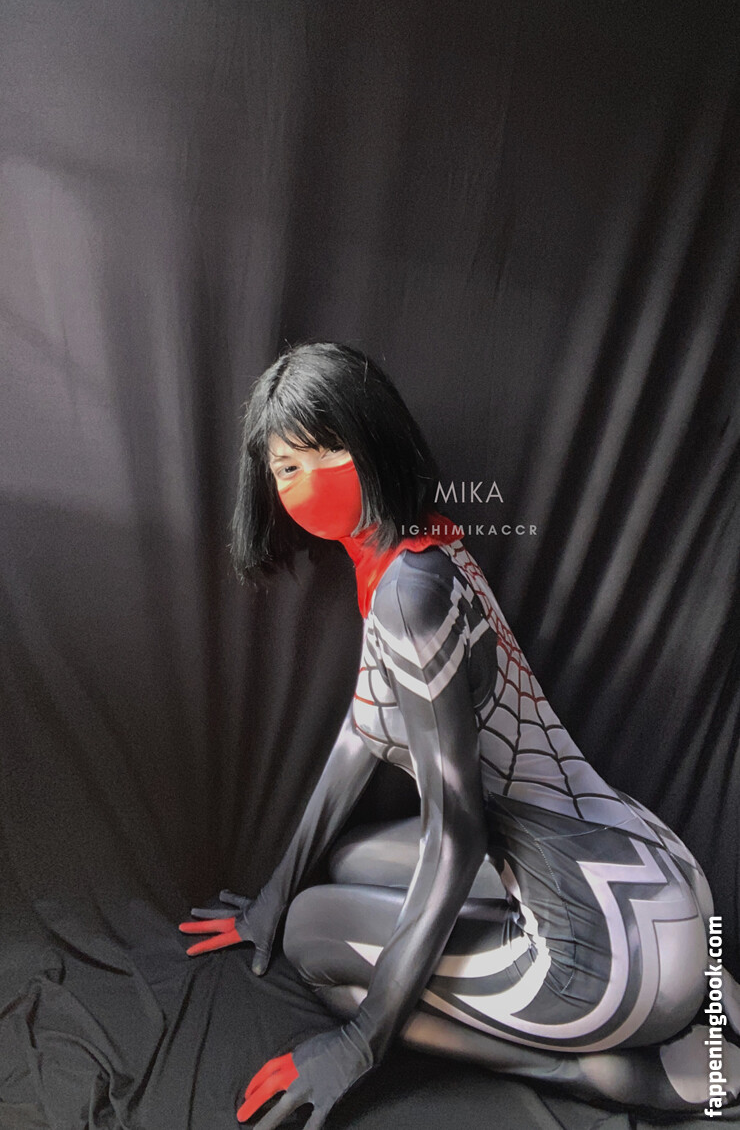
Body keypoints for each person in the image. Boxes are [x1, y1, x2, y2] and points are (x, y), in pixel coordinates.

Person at [180, 341, 740, 1129]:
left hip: (615, 958)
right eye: (286, 466)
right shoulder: (423, 549)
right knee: (347, 865)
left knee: (314, 937)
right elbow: (362, 734)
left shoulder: (410, 594)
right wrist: (268, 899)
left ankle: (620, 1075)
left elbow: (458, 834)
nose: (307, 478)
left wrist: (359, 1041)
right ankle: (706, 1004)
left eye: (326, 447)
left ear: (370, 433)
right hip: (663, 873)